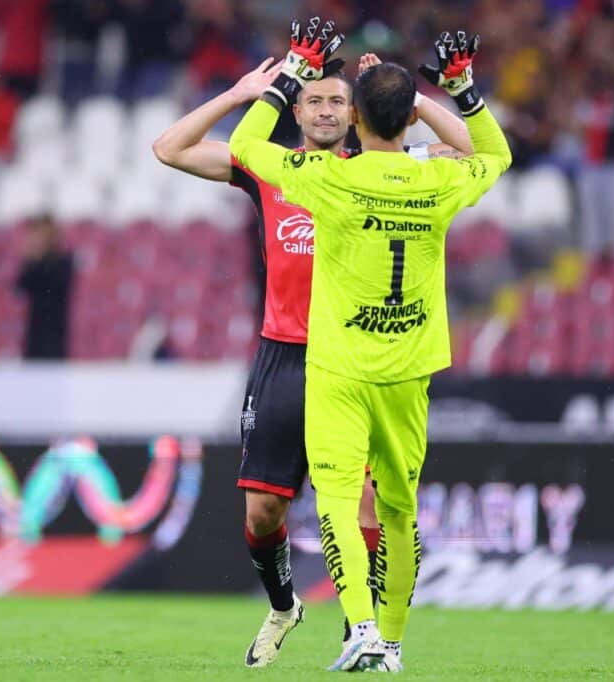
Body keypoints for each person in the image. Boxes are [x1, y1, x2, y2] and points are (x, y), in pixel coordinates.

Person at [152, 49, 473, 668]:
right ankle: (283, 605)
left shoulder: (384, 165)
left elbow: (467, 151)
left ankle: (371, 634)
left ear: (355, 112)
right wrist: (241, 93)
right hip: (284, 355)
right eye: (314, 100)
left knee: (365, 507)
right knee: (264, 511)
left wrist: (407, 96)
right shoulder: (273, 169)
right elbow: (169, 148)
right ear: (295, 109)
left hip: (354, 359)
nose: (326, 111)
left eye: (337, 101)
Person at [229, 20, 511, 672]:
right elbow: (495, 153)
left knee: (333, 503)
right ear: (411, 121)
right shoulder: (438, 183)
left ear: (351, 117)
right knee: (398, 509)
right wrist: (460, 90)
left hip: (340, 368)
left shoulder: (329, 179)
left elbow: (245, 146)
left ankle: (358, 628)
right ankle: (392, 643)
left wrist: (296, 73)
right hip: (409, 370)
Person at [15, 214, 74, 359]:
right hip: (34, 334)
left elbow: (54, 284)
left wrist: (37, 258)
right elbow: (21, 286)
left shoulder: (64, 261)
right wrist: (30, 259)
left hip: (56, 334)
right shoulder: (32, 262)